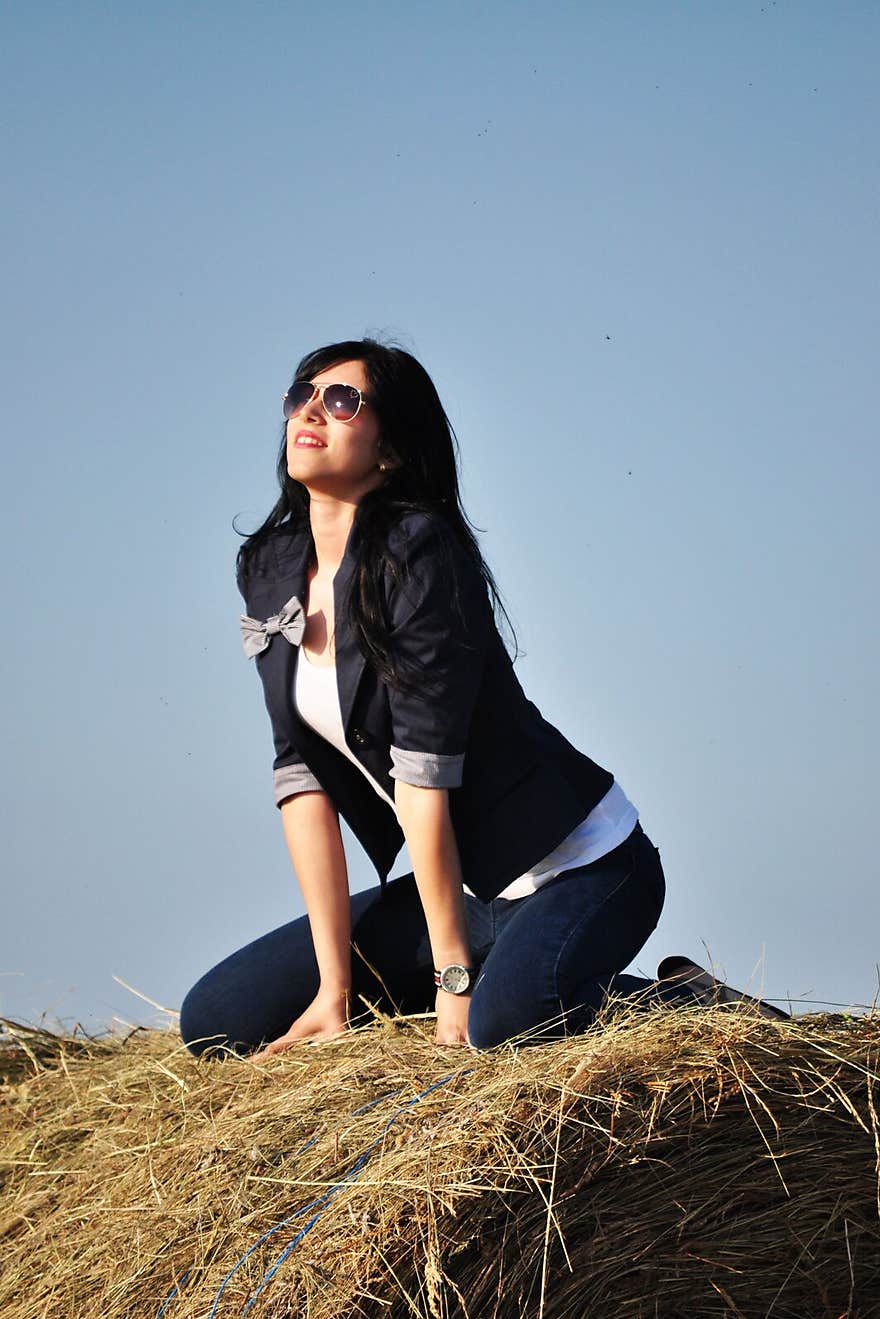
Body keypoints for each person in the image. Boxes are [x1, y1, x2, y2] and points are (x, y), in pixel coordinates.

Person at [180, 338, 788, 1060]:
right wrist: (333, 991)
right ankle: (474, 974)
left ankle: (682, 1003)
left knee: (502, 1030)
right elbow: (301, 776)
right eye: (302, 392)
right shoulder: (270, 565)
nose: (313, 406)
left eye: (342, 399)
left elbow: (422, 778)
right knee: (219, 1019)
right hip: (470, 891)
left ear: (391, 449)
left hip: (578, 866)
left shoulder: (420, 555)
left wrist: (452, 975)